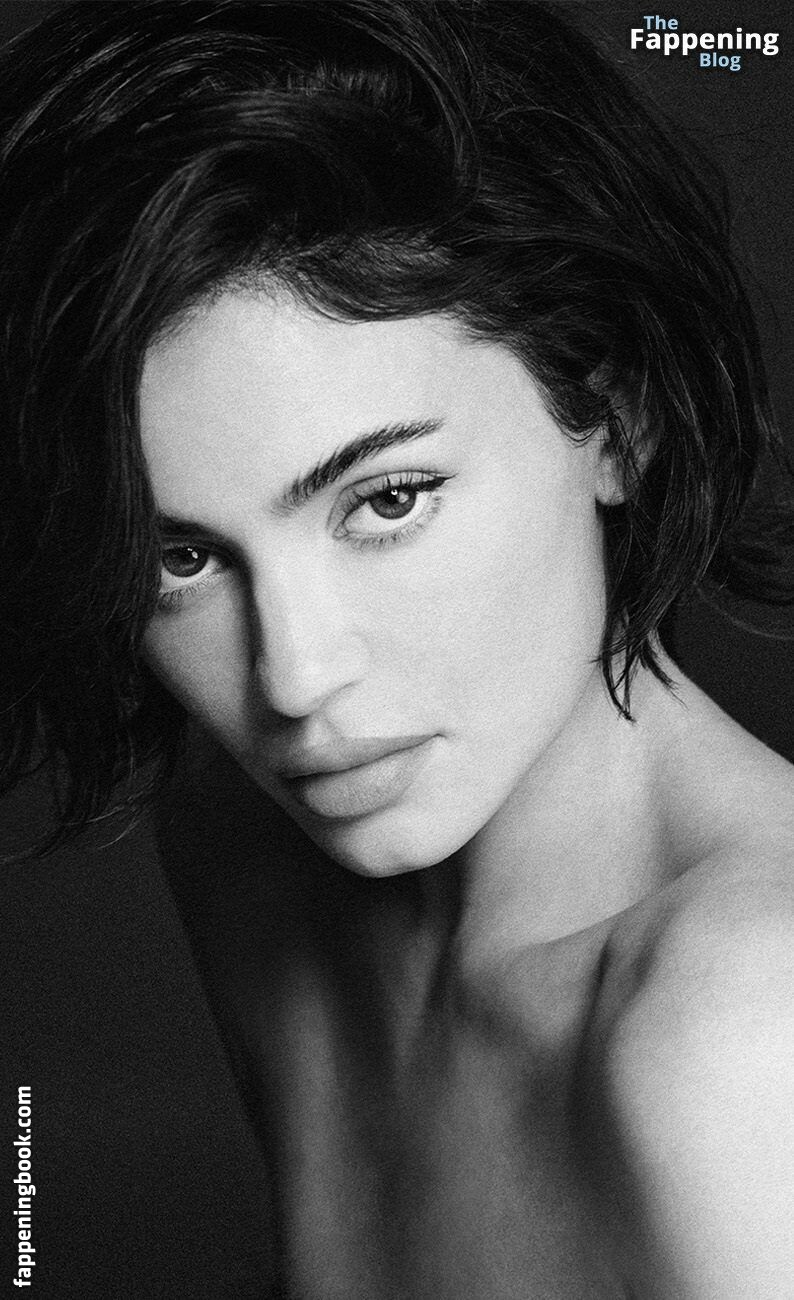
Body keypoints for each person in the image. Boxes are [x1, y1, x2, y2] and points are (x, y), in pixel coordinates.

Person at [1, 1, 792, 1296]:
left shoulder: (748, 1029)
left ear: (616, 412)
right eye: (180, 558)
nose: (294, 680)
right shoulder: (247, 847)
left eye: (386, 500)